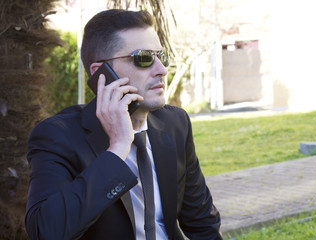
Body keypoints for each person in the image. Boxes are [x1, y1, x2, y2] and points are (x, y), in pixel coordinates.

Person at [25, 9, 222, 240]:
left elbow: (201, 222)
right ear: (101, 74)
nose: (161, 70)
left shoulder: (175, 123)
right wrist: (118, 148)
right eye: (143, 58)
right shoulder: (58, 136)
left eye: (162, 56)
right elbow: (47, 232)